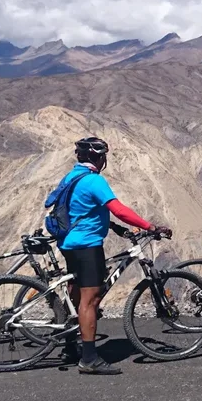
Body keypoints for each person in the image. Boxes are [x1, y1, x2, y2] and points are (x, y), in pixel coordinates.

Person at [48, 136, 171, 374]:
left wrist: (116, 228)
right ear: (98, 157)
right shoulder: (94, 181)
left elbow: (88, 210)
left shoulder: (72, 176)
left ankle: (70, 344)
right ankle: (90, 358)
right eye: (103, 156)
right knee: (91, 299)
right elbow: (119, 209)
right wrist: (150, 227)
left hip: (68, 243)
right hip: (87, 245)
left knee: (76, 293)